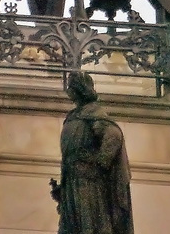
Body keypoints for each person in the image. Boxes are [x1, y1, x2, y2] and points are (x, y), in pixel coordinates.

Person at [51, 72, 134, 234]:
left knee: (90, 226)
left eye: (71, 87)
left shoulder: (94, 114)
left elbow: (113, 135)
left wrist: (99, 160)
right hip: (72, 181)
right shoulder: (74, 116)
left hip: (89, 183)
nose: (69, 91)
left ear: (79, 90)